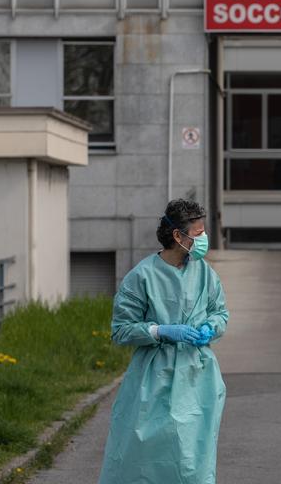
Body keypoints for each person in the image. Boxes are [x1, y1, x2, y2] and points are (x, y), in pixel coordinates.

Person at [98, 198, 230, 484]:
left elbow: (220, 312)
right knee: (146, 457)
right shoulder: (142, 276)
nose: (203, 240)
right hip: (154, 381)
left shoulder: (205, 273)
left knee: (193, 459)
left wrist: (211, 327)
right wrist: (161, 331)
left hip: (198, 378)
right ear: (177, 236)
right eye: (198, 234)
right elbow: (121, 330)